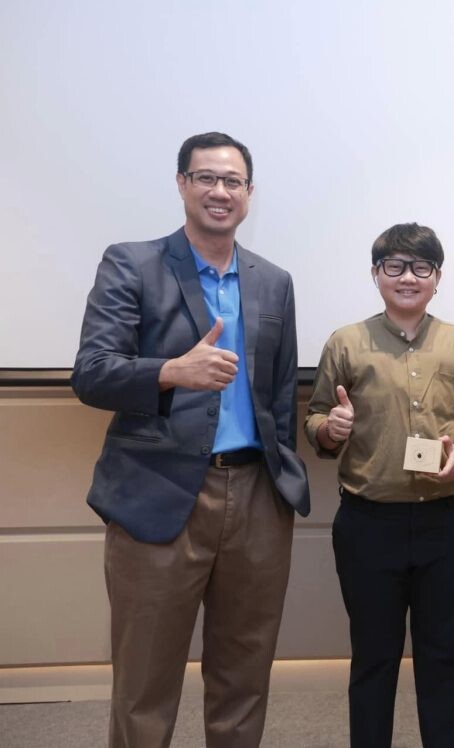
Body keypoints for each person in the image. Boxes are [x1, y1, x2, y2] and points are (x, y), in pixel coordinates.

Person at [71, 131, 310, 747]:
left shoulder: (273, 282)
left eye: (232, 181)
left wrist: (283, 474)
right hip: (159, 494)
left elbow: (280, 395)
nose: (219, 191)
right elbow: (92, 373)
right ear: (182, 184)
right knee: (146, 685)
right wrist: (170, 372)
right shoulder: (132, 263)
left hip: (257, 497)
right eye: (206, 177)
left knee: (244, 677)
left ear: (250, 194)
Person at [304, 223, 454, 748]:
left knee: (442, 656)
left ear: (437, 278)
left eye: (421, 268)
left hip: (450, 522)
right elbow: (317, 419)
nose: (407, 277)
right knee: (373, 657)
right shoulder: (346, 342)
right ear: (375, 274)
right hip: (370, 523)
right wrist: (329, 429)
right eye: (395, 266)